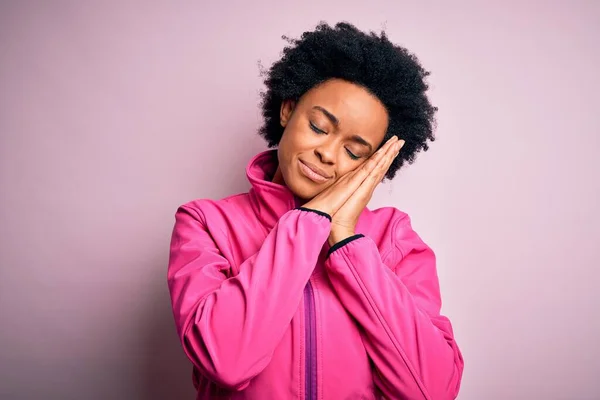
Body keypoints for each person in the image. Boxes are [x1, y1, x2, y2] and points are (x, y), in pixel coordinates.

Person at [167, 21, 464, 400]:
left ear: (375, 163)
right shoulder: (206, 224)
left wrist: (347, 242)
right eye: (319, 126)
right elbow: (226, 361)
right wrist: (311, 220)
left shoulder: (395, 239)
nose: (327, 153)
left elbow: (432, 391)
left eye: (354, 151)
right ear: (288, 109)